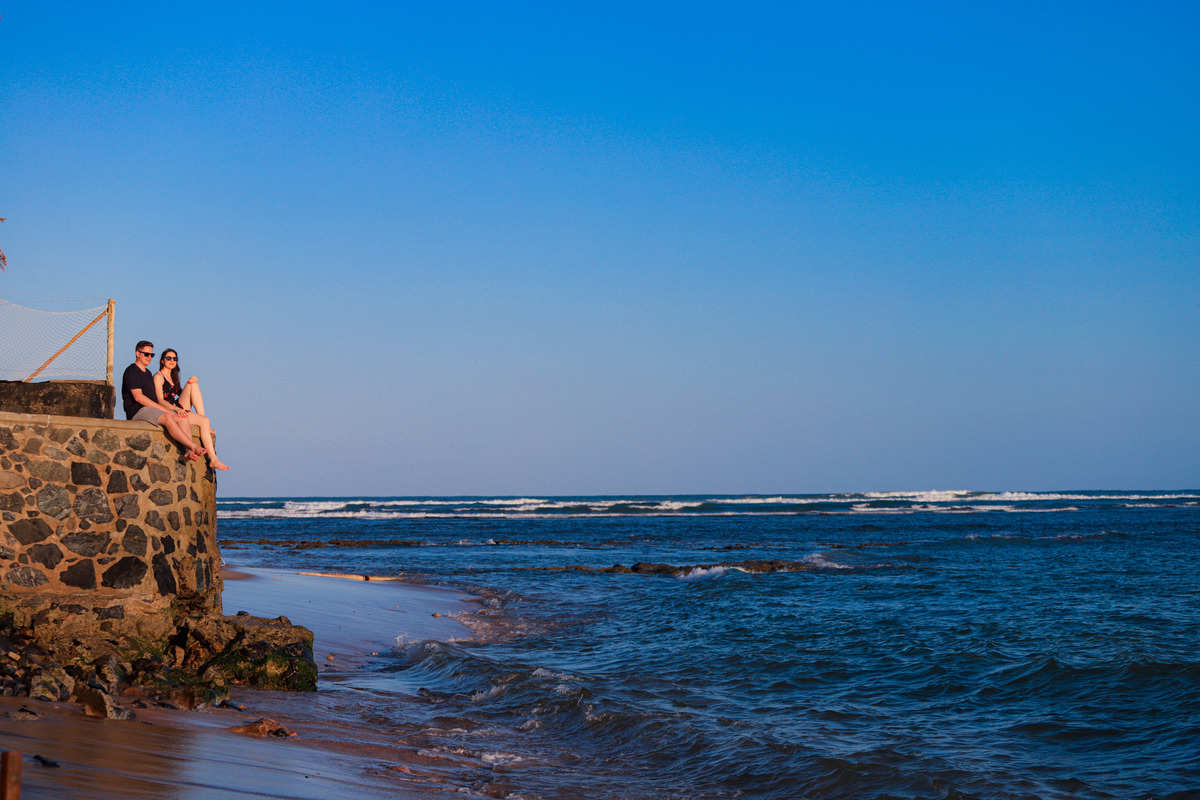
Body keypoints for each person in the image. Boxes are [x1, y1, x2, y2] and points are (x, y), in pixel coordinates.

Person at [120, 340, 207, 463]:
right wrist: (164, 409)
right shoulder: (132, 371)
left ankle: (188, 450)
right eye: (146, 354)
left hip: (151, 410)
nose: (149, 357)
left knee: (182, 417)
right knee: (167, 417)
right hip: (138, 411)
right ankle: (193, 446)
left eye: (151, 355)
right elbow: (138, 397)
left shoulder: (148, 373)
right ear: (137, 353)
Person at [153, 348, 229, 470]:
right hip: (169, 409)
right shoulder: (158, 376)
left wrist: (191, 383)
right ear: (162, 361)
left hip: (177, 406)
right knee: (204, 421)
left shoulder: (173, 376)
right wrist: (176, 410)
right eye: (169, 358)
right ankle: (213, 459)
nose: (172, 361)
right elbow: (160, 400)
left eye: (175, 359)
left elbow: (181, 394)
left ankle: (213, 458)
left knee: (193, 383)